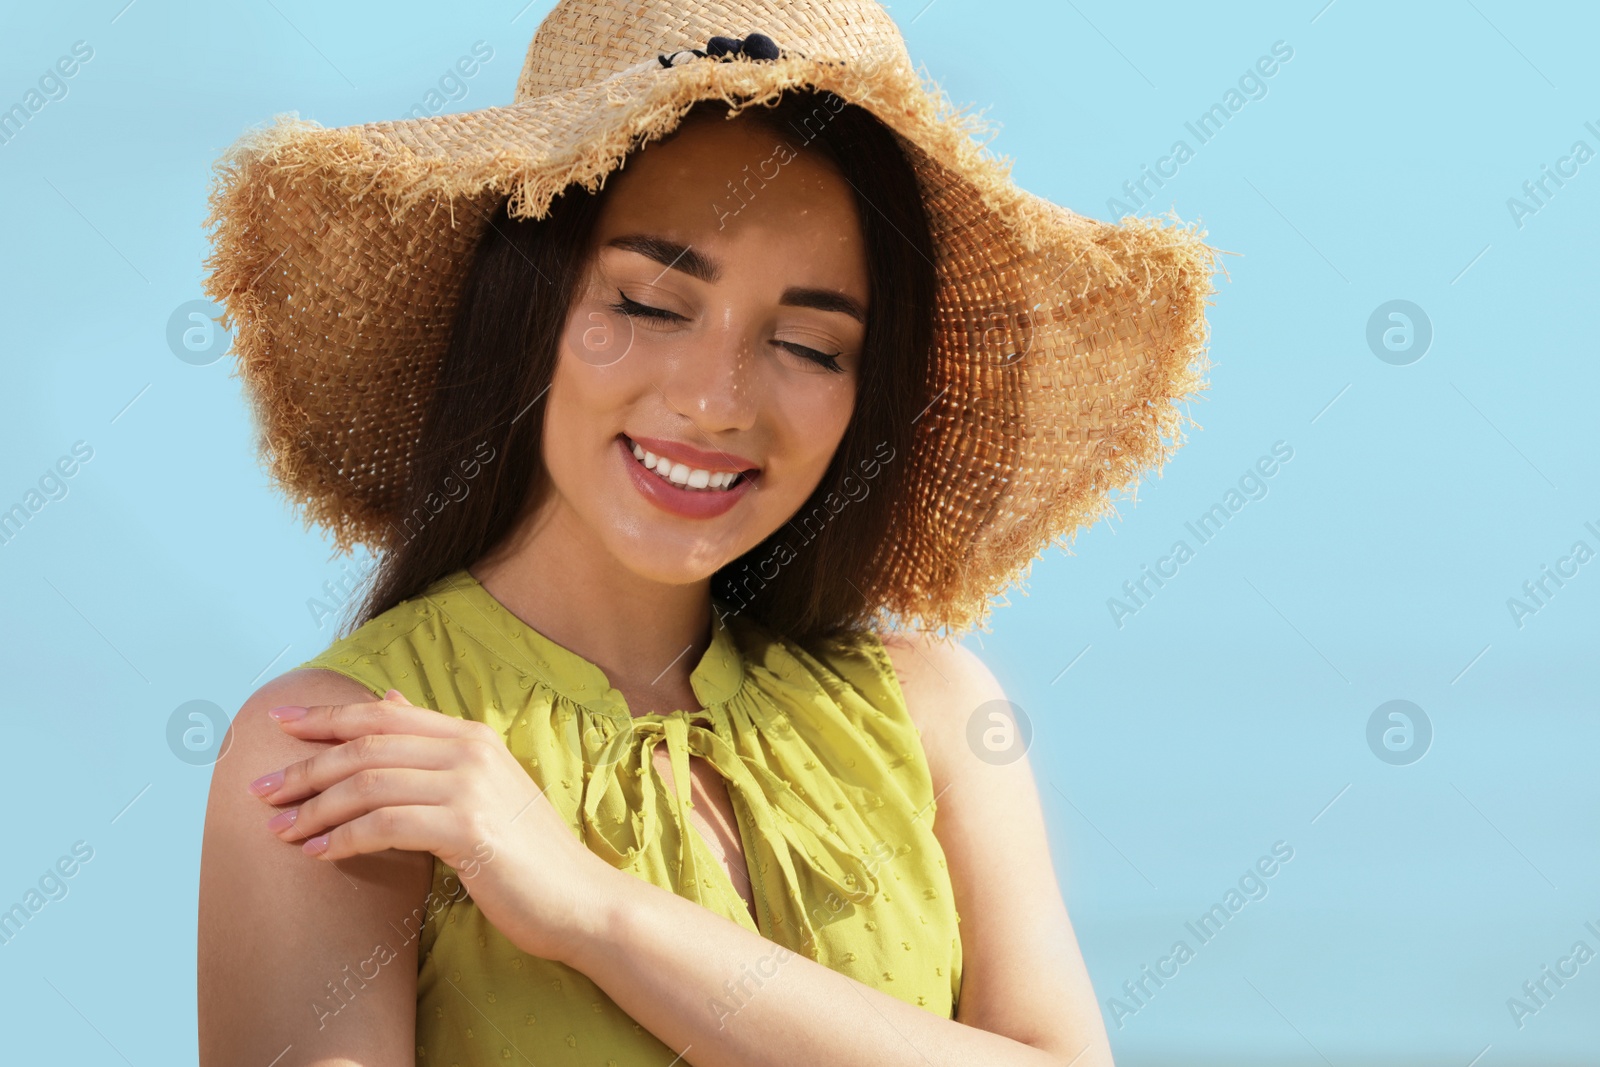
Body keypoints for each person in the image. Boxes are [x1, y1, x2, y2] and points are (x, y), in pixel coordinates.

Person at [196, 3, 1218, 1064]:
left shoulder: (934, 719)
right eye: (649, 302)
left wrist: (599, 913)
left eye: (810, 345)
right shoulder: (342, 749)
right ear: (530, 302)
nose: (717, 400)